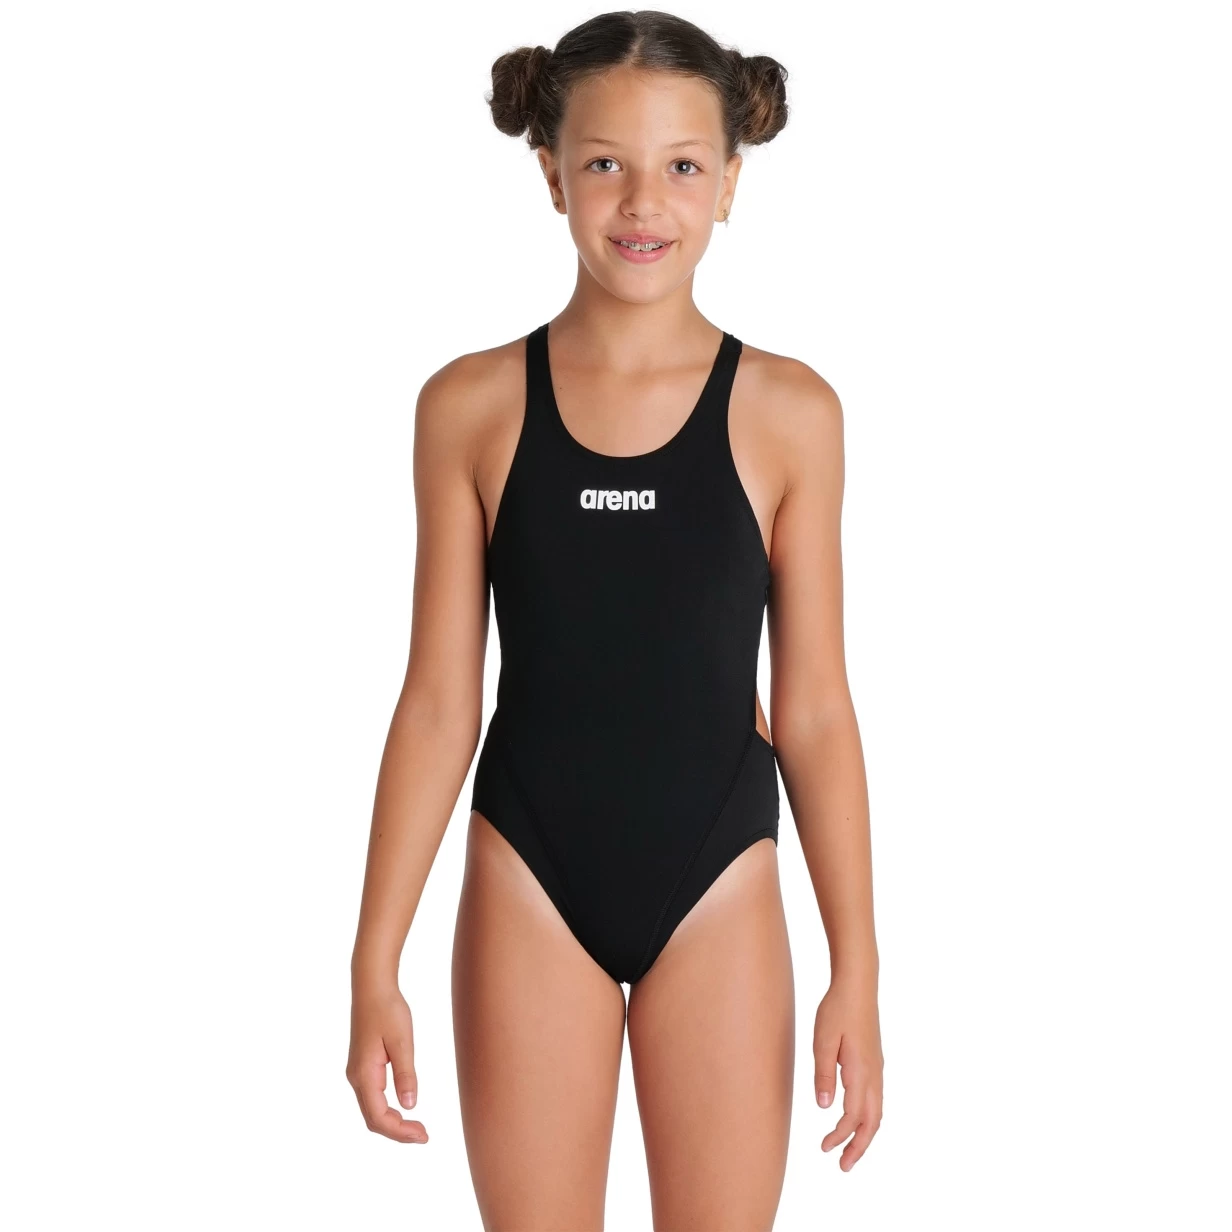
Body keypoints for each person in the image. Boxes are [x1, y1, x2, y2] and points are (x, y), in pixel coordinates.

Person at [347, 11, 883, 1229]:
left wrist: (855, 964)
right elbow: (437, 702)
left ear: (730, 181)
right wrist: (373, 955)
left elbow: (812, 708)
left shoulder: (790, 412)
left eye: (682, 165)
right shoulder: (469, 406)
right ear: (550, 174)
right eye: (604, 163)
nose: (643, 201)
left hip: (718, 878)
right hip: (528, 874)